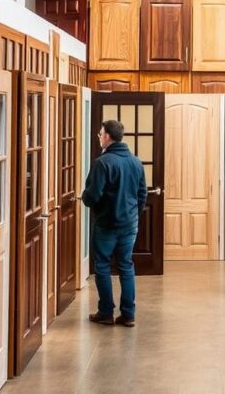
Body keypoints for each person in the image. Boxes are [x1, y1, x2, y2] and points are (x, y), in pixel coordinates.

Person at [81, 120, 147, 328]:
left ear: (108, 136)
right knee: (126, 266)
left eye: (100, 134)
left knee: (102, 266)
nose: (99, 137)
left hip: (106, 224)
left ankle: (106, 312)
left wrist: (84, 197)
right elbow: (142, 193)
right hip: (129, 224)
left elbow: (93, 196)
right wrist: (134, 214)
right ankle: (128, 315)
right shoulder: (136, 162)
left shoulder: (102, 163)